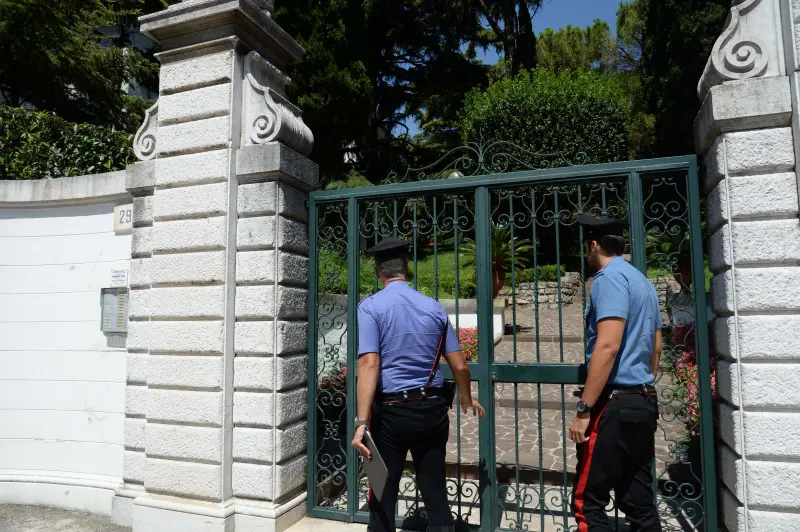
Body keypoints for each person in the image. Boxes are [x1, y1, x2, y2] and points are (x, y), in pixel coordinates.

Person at [351, 237, 486, 532]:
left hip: (393, 413)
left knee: (383, 491)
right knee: (434, 487)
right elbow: (460, 364)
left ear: (378, 272)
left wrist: (361, 422)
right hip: (433, 409)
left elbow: (369, 363)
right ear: (406, 269)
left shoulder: (371, 307)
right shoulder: (434, 308)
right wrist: (466, 398)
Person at [568, 215, 663, 532]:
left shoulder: (608, 280)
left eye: (586, 248)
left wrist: (584, 408)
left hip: (614, 404)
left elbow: (607, 347)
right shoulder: (643, 282)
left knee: (588, 503)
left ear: (593, 245)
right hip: (644, 400)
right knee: (638, 500)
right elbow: (657, 350)